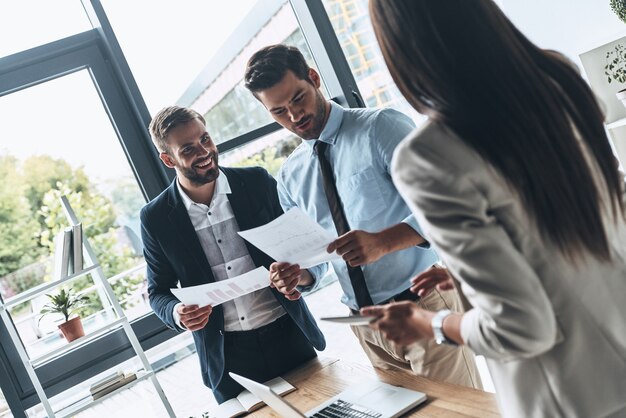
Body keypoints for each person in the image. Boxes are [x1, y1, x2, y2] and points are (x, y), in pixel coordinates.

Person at [363, 1, 626, 417]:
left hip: (575, 397)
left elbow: (523, 328)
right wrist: (464, 276)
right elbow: (598, 213)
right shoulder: (558, 77)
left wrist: (427, 325)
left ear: (400, 42)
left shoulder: (427, 155)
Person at [244, 44, 481, 389]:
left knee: (463, 415)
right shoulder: (291, 175)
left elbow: (451, 204)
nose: (294, 116)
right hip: (365, 325)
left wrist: (383, 242)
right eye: (279, 111)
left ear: (314, 78)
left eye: (298, 99)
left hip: (423, 304)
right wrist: (299, 277)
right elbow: (317, 260)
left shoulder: (381, 127)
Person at [140, 106, 325, 403]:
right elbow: (158, 291)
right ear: (167, 159)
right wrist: (178, 313)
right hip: (227, 359)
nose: (204, 151)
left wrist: (300, 276)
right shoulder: (156, 217)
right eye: (188, 148)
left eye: (205, 139)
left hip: (289, 336)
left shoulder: (257, 183)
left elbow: (305, 251)